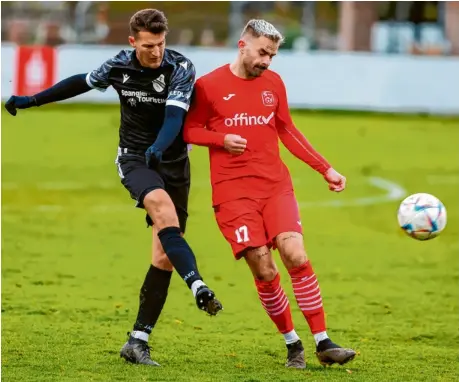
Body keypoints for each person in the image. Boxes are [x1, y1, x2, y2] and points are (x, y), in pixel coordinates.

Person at [5, 8, 222, 367]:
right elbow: (80, 82)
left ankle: (137, 341)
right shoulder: (119, 65)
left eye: (162, 44)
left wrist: (160, 147)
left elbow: (173, 118)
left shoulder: (180, 67)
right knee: (162, 209)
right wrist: (30, 100)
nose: (157, 53)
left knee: (164, 255)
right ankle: (198, 285)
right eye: (149, 45)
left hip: (173, 163)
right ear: (133, 41)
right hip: (135, 159)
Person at [183, 19, 356, 369]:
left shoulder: (273, 83)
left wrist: (326, 168)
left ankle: (323, 341)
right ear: (242, 45)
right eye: (263, 52)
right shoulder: (208, 86)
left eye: (273, 55)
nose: (267, 61)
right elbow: (189, 129)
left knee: (296, 254)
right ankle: (293, 344)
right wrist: (220, 140)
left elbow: (287, 130)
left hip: (275, 186)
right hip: (233, 195)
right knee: (263, 269)